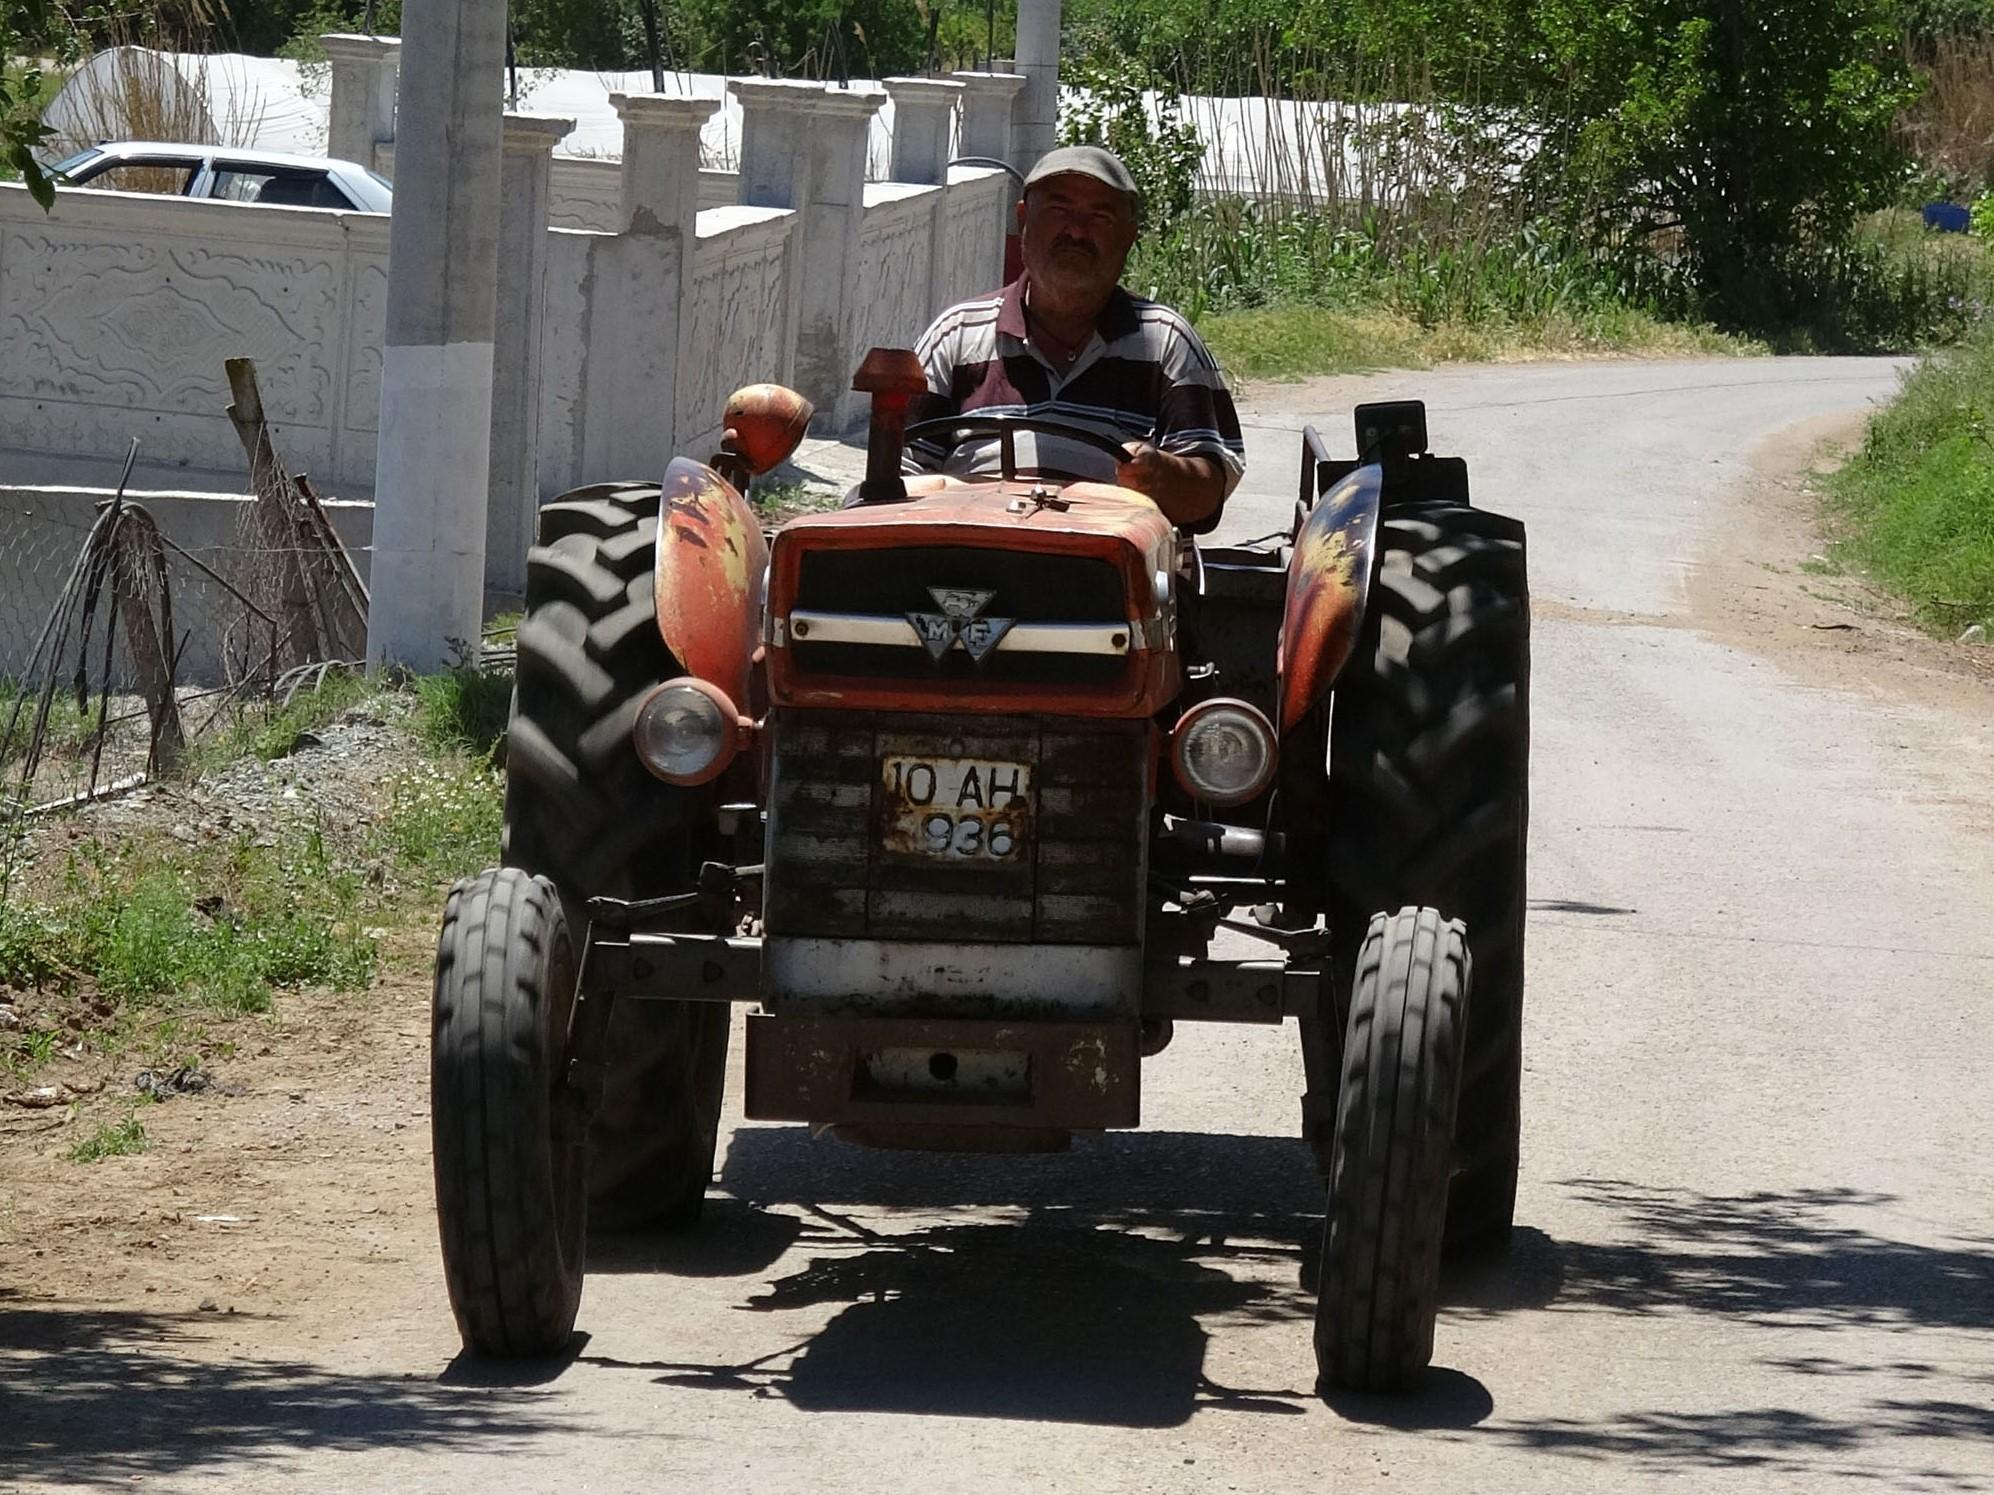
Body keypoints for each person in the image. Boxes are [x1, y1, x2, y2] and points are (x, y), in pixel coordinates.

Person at [905, 145, 1245, 530]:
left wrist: (1159, 474)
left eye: (1100, 216)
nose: (1076, 231)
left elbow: (1209, 490)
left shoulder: (1166, 341)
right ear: (1023, 220)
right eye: (1058, 210)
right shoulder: (956, 334)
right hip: (966, 569)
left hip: (1107, 576)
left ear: (1129, 236)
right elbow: (901, 474)